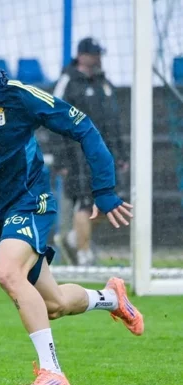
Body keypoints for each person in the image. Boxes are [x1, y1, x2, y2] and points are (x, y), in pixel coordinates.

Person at [0, 36, 143, 385]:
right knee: (53, 304)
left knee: (7, 273)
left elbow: (83, 127)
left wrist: (104, 189)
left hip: (30, 200)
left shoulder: (19, 96)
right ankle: (112, 299)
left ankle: (53, 372)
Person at [52, 37, 129, 266]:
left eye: (99, 54)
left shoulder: (104, 83)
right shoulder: (68, 82)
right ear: (82, 56)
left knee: (111, 203)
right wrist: (61, 159)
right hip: (78, 156)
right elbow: (53, 118)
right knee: (85, 203)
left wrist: (121, 154)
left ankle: (74, 237)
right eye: (94, 54)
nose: (98, 59)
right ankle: (83, 255)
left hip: (105, 155)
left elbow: (114, 122)